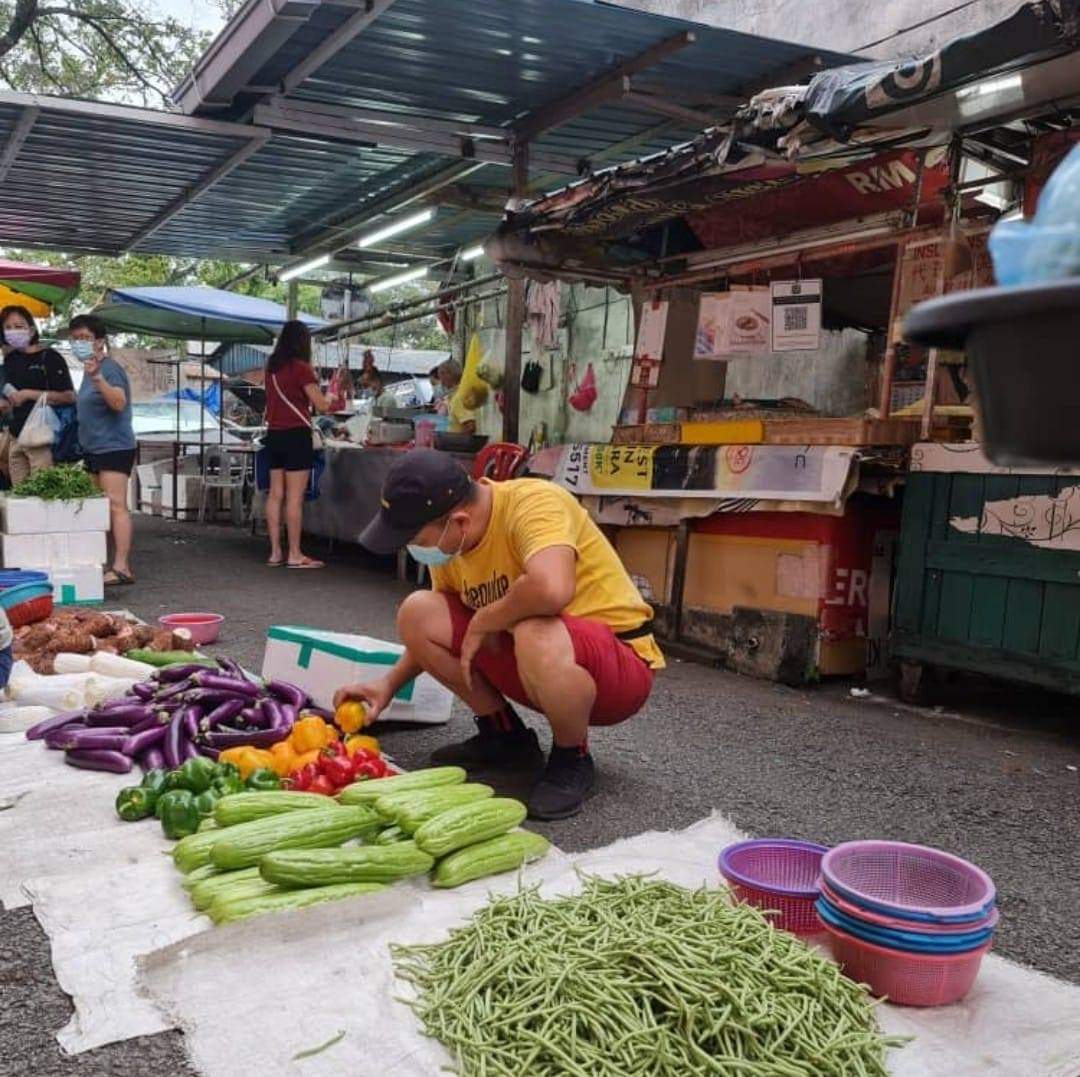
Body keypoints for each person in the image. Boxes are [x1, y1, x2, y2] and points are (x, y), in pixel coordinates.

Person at [335, 449, 664, 820]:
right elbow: (440, 631)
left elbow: (552, 589)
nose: (415, 549)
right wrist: (387, 685)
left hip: (617, 670)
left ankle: (573, 757)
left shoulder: (534, 502)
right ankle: (505, 738)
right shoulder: (455, 544)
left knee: (535, 628)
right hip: (539, 663)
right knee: (418, 612)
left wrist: (486, 619)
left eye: (416, 538)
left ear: (459, 520)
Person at [70, 314, 137, 586]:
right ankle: (106, 562)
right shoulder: (88, 371)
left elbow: (119, 402)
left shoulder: (107, 369)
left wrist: (98, 379)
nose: (79, 343)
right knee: (100, 508)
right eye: (74, 339)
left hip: (114, 447)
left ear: (99, 341)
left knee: (116, 505)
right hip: (93, 449)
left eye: (85, 338)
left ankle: (122, 567)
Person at [263, 320, 330, 569]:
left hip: (274, 434)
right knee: (294, 498)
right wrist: (332, 396)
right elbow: (321, 404)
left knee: (275, 494)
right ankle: (295, 554)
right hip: (296, 435)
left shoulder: (271, 368)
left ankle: (275, 552)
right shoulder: (302, 368)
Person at [0, 305, 75, 483]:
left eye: (19, 326)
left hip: (42, 437)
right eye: (8, 328)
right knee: (20, 496)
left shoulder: (50, 357)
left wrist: (29, 394)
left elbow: (68, 396)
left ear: (31, 329)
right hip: (16, 437)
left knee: (43, 494)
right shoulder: (11, 360)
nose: (13, 331)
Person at [437, 358, 481, 434]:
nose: (441, 381)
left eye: (441, 375)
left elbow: (470, 426)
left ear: (448, 375)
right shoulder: (456, 395)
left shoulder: (459, 397)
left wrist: (454, 440)